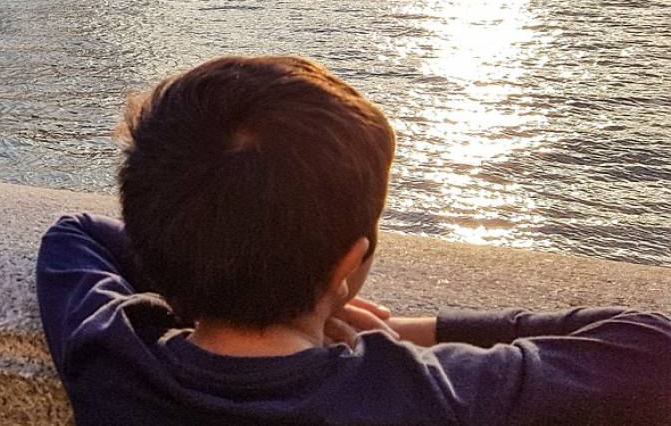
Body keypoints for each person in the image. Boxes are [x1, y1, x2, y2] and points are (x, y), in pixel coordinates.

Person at [37, 56, 671, 426]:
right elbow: (648, 349)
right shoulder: (426, 394)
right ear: (350, 261)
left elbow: (74, 237)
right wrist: (409, 331)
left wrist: (199, 268)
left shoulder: (112, 358)